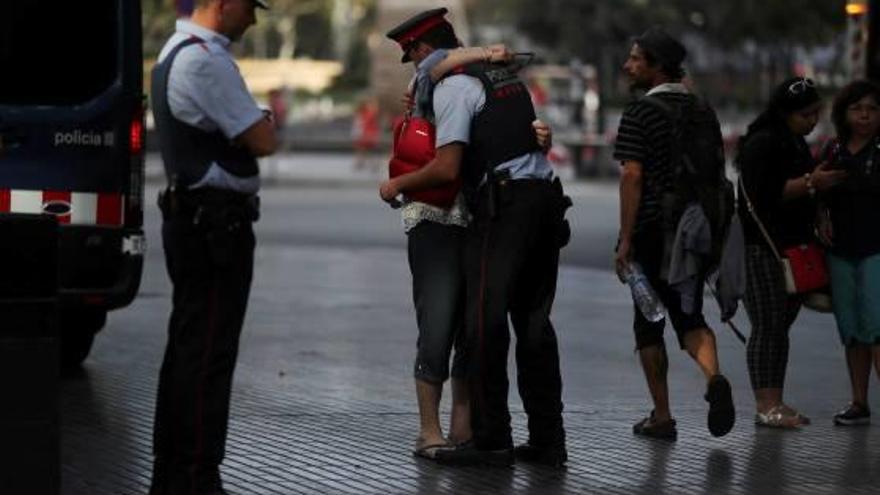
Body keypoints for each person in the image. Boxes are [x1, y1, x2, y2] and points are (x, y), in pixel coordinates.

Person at [381, 8, 570, 467]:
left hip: (506, 210)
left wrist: (396, 185)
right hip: (546, 200)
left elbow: (447, 167)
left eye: (414, 57)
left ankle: (490, 439)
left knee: (483, 324)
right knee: (534, 326)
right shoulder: (504, 78)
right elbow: (522, 137)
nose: (416, 70)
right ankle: (548, 440)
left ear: (425, 51)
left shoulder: (454, 87)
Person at [149, 0, 277, 493]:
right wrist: (256, 124)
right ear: (222, 5)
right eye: (248, 6)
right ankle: (196, 476)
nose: (253, 18)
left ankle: (173, 470)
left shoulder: (174, 50)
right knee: (208, 354)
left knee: (188, 349)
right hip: (215, 227)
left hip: (195, 220)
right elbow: (263, 139)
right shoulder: (206, 59)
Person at [613, 27, 735, 441]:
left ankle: (662, 416)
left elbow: (632, 177)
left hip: (652, 230)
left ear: (656, 66)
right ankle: (714, 377)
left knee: (648, 321)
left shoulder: (640, 113)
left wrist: (626, 239)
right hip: (697, 229)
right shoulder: (703, 110)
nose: (628, 65)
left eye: (635, 59)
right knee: (690, 313)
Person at [736, 77, 845, 429]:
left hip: (789, 248)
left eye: (816, 113)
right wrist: (813, 182)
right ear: (785, 113)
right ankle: (767, 405)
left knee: (777, 328)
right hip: (763, 249)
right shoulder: (763, 143)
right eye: (805, 114)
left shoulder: (793, 141)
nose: (812, 121)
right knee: (768, 328)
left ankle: (775, 402)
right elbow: (766, 195)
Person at [818, 80, 880, 426]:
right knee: (853, 330)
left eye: (872, 108)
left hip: (876, 249)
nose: (865, 116)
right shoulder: (833, 150)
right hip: (840, 250)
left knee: (878, 327)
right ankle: (859, 401)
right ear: (844, 112)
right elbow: (818, 195)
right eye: (857, 109)